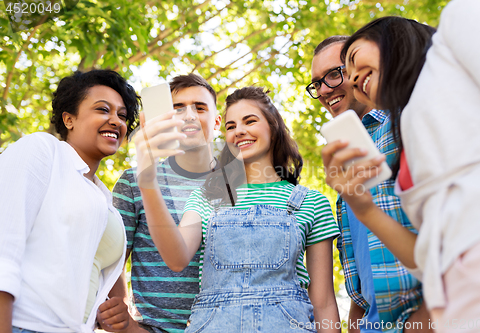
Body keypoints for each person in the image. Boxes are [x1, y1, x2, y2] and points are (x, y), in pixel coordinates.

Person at [323, 0, 480, 331]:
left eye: (352, 58)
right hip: (458, 302)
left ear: (391, 35)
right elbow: (426, 259)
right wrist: (364, 209)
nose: (351, 77)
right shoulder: (408, 139)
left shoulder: (457, 27)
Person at [134, 86, 341, 332]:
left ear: (273, 128)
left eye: (249, 121)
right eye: (230, 126)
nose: (238, 131)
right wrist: (147, 181)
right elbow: (176, 257)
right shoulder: (207, 196)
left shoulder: (310, 202)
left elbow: (324, 302)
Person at [0, 69, 141, 333]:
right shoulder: (41, 150)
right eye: (103, 109)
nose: (116, 121)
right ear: (69, 119)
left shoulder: (103, 197)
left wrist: (115, 310)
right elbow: (2, 252)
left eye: (122, 116)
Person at [310, 37, 428, 332]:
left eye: (333, 74)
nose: (324, 89)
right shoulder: (344, 159)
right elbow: (365, 258)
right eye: (316, 84)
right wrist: (356, 322)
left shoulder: (404, 124)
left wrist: (428, 318)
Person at [111, 74, 222, 333]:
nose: (189, 115)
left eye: (200, 107)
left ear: (216, 122)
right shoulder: (133, 181)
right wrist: (127, 323)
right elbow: (112, 261)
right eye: (177, 108)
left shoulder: (241, 187)